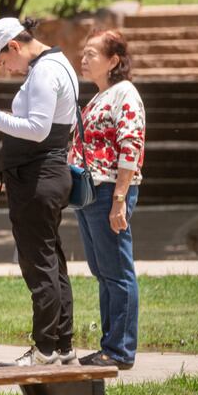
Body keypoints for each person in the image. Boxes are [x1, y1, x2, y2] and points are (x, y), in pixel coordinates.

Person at [0, 18, 80, 367]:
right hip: (45, 176)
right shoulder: (55, 64)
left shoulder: (45, 71)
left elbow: (37, 128)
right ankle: (61, 345)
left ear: (15, 46)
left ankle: (45, 349)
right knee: (51, 261)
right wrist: (0, 116)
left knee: (39, 265)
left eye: (4, 62)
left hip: (38, 179)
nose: (7, 69)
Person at [72, 30, 145, 369]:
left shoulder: (124, 94)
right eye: (83, 54)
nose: (83, 60)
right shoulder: (99, 96)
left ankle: (120, 350)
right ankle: (109, 345)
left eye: (91, 54)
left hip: (109, 192)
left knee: (117, 271)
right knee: (103, 271)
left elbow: (131, 146)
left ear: (113, 61)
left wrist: (120, 198)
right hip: (91, 193)